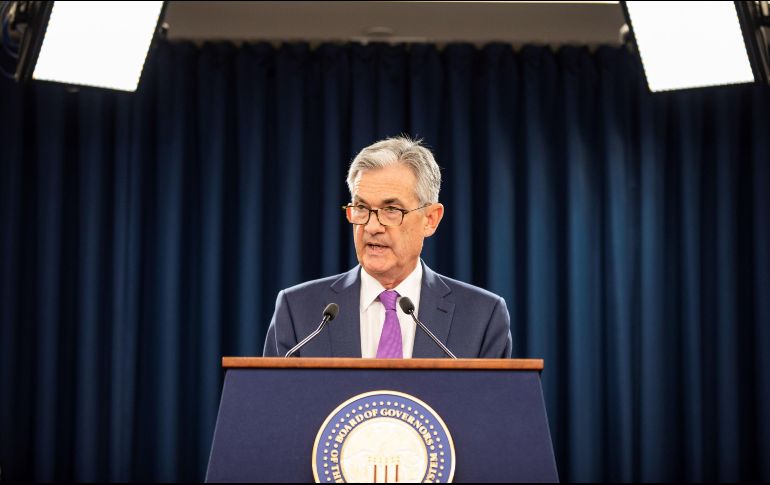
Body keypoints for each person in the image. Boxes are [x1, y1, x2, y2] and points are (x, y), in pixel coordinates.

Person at [263, 136, 512, 358]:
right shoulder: (298, 311)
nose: (372, 226)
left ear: (430, 219)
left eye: (391, 210)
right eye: (361, 208)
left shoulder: (482, 317)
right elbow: (273, 396)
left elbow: (492, 398)